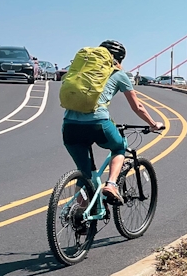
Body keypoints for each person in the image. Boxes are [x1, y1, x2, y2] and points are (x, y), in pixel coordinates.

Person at [62, 40, 162, 204]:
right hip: (98, 123)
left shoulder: (83, 71)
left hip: (69, 125)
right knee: (119, 146)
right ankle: (111, 185)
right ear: (120, 60)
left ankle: (79, 214)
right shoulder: (118, 73)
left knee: (85, 173)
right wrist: (152, 123)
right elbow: (137, 106)